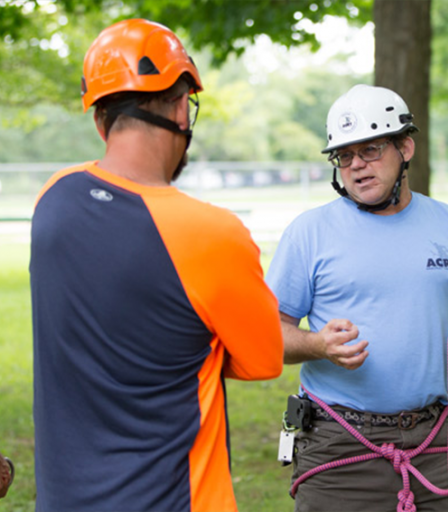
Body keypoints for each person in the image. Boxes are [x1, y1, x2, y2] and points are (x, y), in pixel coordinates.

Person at [30, 19, 283, 511]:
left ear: (100, 117)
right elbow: (264, 359)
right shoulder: (213, 232)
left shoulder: (51, 198)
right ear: (180, 105)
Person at [266, 84, 448, 512]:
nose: (356, 165)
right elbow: (267, 333)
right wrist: (317, 344)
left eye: (371, 150)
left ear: (406, 148)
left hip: (435, 442)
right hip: (337, 443)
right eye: (344, 156)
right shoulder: (308, 233)